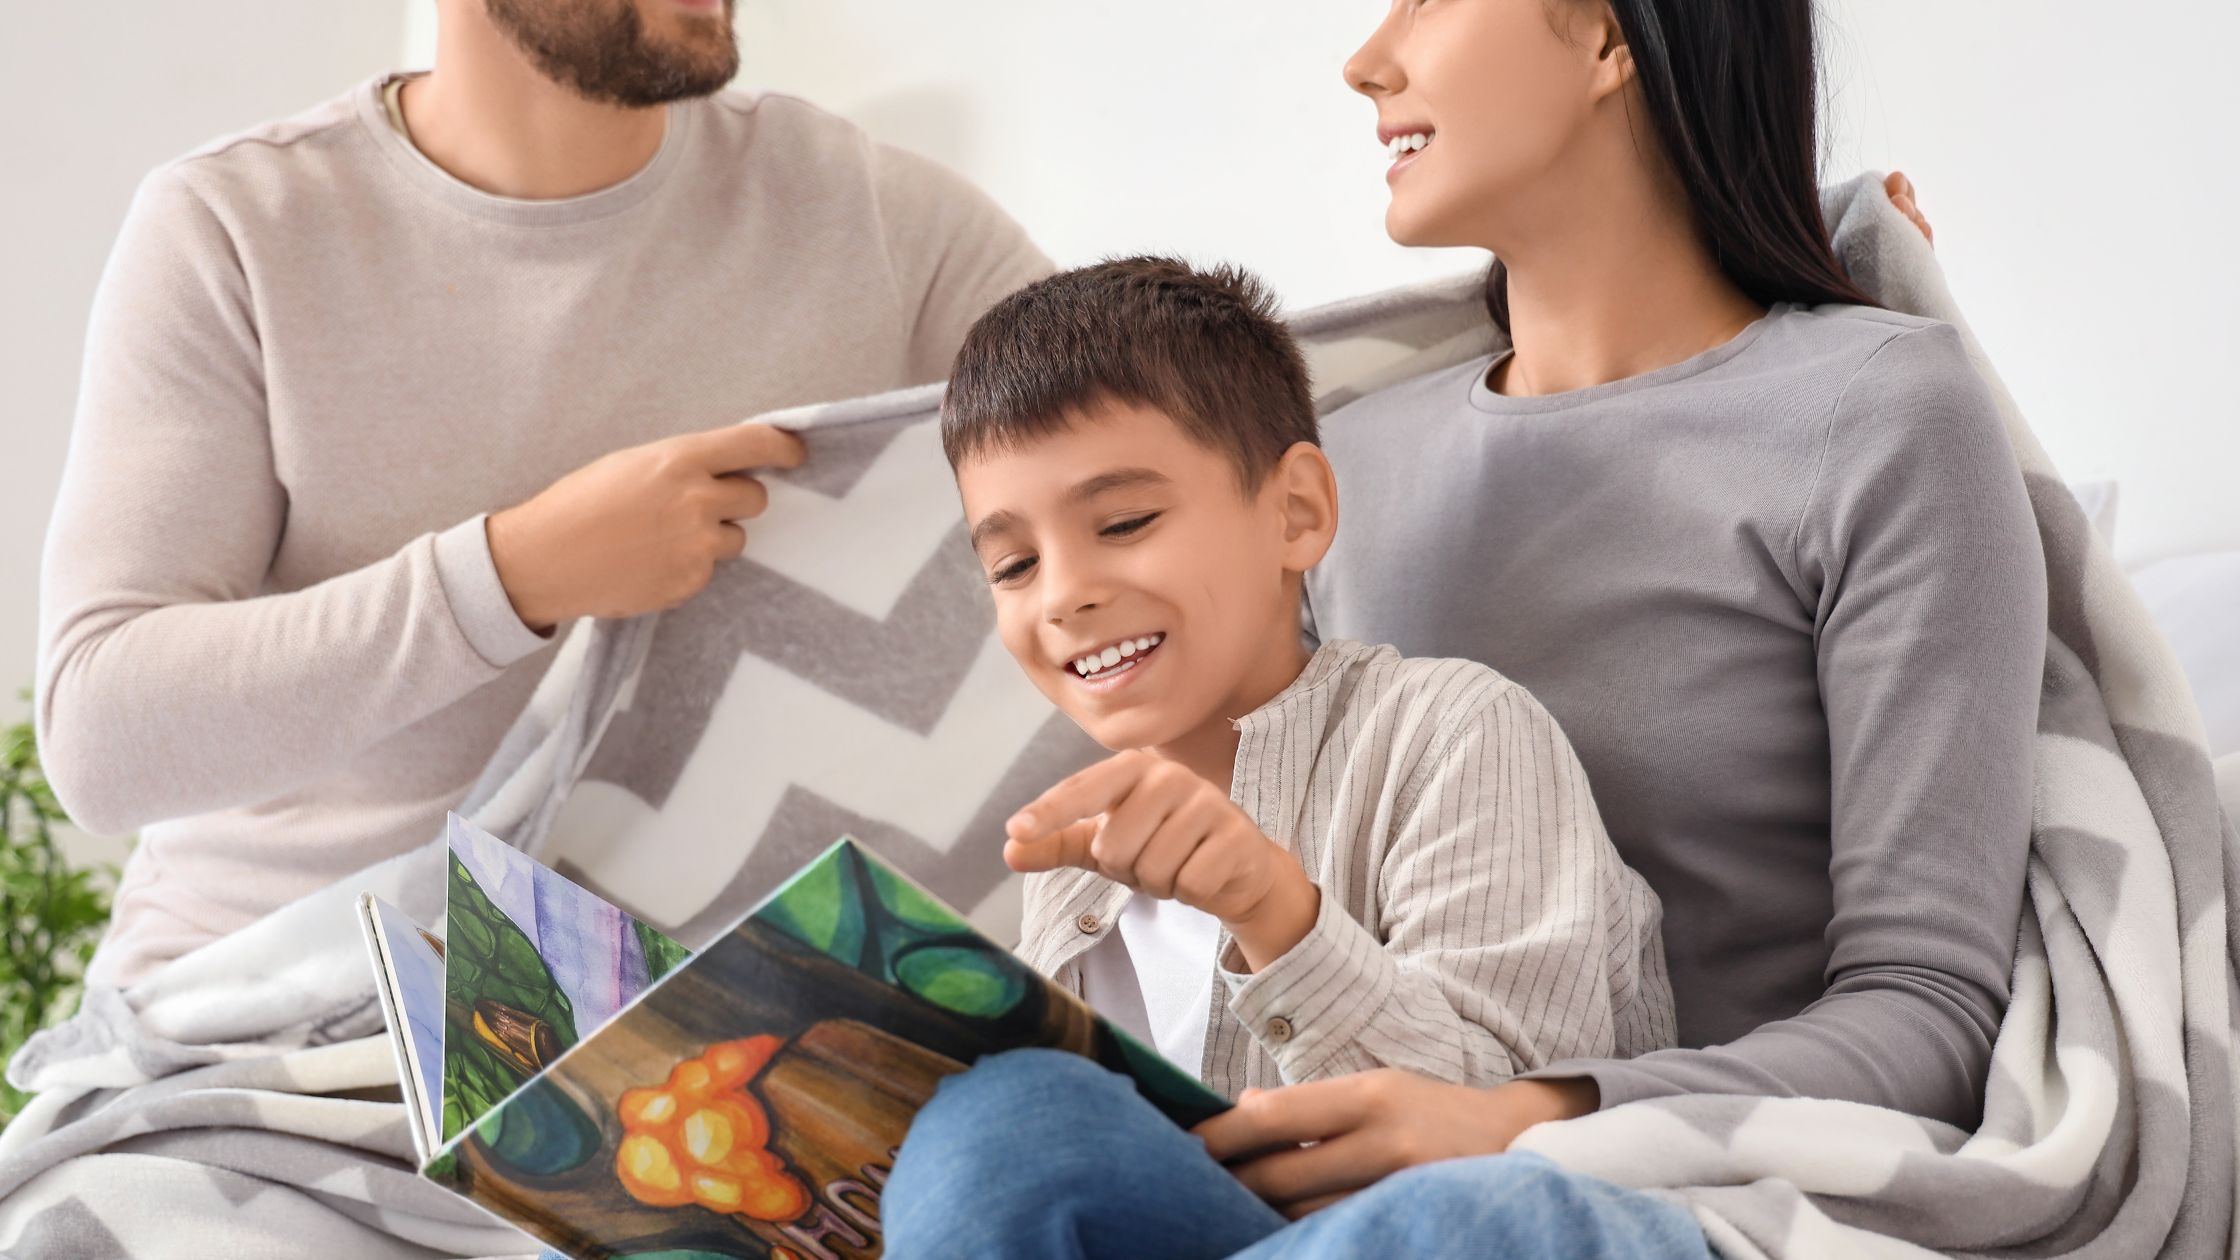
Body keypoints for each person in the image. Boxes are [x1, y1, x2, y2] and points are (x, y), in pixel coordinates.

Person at [879, 0, 2036, 1256]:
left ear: (1609, 39)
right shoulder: (1351, 453)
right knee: (1006, 1129)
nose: (1365, 58)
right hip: (1334, 1184)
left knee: (1460, 1218)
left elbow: (1925, 1006)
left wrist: (1526, 1121)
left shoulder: (1876, 412)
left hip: (1649, 1187)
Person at [34, 0, 1050, 987]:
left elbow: (1178, 481)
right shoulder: (235, 228)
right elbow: (101, 737)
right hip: (286, 1000)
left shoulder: (875, 218)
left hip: (704, 1021)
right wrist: (512, 575)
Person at [933, 258, 1671, 1105]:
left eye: (1125, 522)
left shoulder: (1451, 734)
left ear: (1295, 512)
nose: (1064, 594)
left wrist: (1272, 912)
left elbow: (1509, 1120)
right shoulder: (1069, 867)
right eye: (1014, 564)